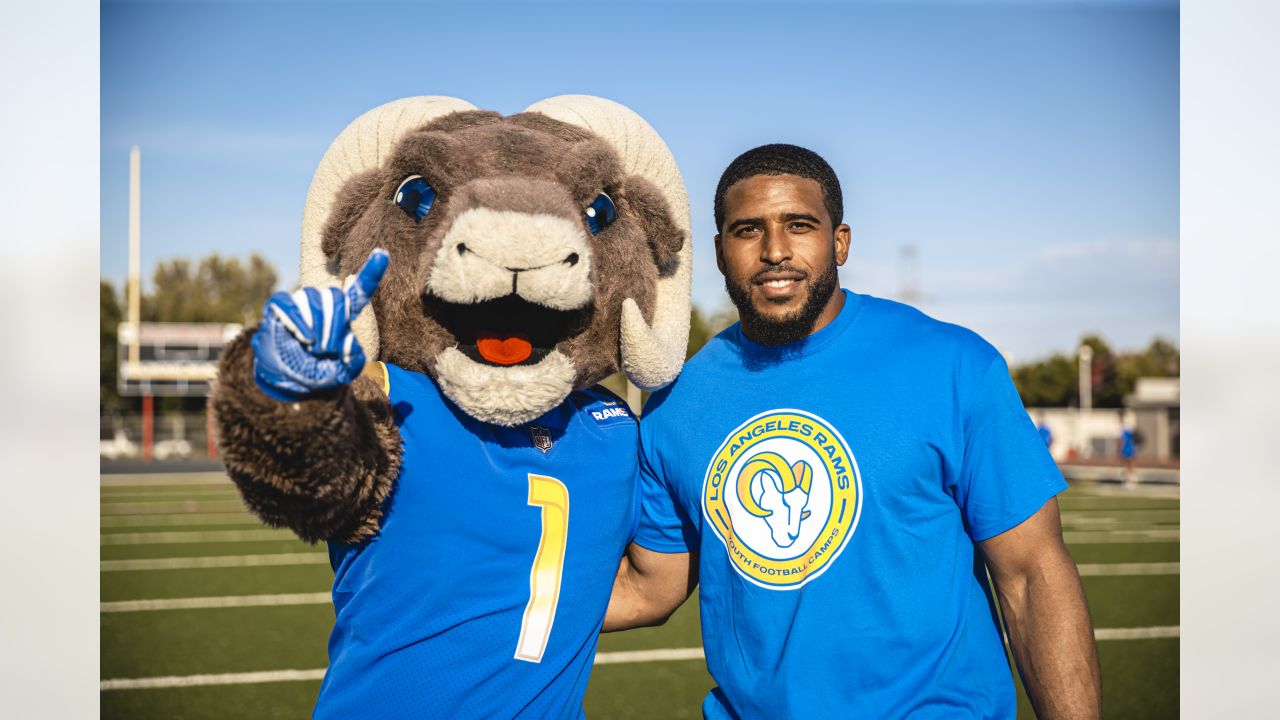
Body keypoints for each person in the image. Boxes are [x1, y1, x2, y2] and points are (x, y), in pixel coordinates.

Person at [604, 144, 1102, 719]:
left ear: (839, 241)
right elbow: (650, 588)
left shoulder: (953, 366)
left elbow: (1032, 575)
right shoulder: (674, 403)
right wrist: (493, 590)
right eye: (747, 230)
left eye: (799, 225)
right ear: (719, 252)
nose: (774, 251)